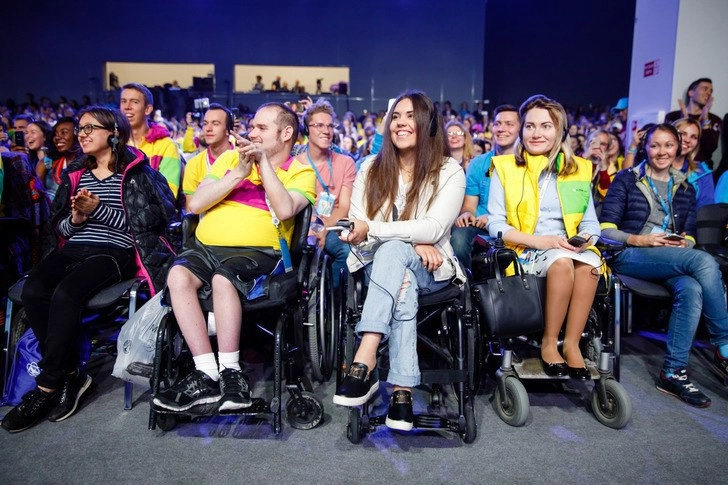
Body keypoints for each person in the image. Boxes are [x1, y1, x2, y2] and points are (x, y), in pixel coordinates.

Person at [1, 106, 177, 433]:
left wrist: (99, 210)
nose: (81, 134)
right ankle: (71, 373)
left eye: (89, 128)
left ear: (113, 133)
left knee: (67, 294)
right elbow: (60, 228)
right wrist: (77, 218)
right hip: (75, 247)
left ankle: (46, 387)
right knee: (34, 290)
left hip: (116, 252)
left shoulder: (138, 173)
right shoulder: (76, 174)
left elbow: (149, 227)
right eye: (80, 129)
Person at [152, 103, 316, 413]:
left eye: (261, 128)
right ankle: (206, 372)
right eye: (252, 127)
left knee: (223, 278)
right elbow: (196, 204)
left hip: (259, 254)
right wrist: (239, 173)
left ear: (286, 133)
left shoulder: (300, 171)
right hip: (205, 248)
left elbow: (284, 210)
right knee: (177, 276)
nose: (252, 133)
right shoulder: (230, 159)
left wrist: (264, 165)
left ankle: (231, 371)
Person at [333, 90, 466, 432]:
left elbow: (434, 227)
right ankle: (402, 393)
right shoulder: (370, 168)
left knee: (394, 254)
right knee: (399, 272)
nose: (401, 123)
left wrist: (382, 232)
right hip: (382, 267)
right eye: (395, 116)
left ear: (428, 124)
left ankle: (365, 358)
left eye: (410, 116)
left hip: (433, 269)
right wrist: (411, 241)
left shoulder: (449, 171)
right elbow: (358, 226)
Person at [599, 123, 728, 407]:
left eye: (668, 145)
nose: (662, 152)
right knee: (705, 262)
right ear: (645, 147)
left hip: (671, 258)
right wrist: (640, 240)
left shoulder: (685, 186)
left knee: (692, 287)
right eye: (655, 145)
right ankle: (724, 345)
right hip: (630, 254)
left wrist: (684, 243)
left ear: (678, 147)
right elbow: (605, 231)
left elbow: (691, 234)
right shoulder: (627, 179)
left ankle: (672, 372)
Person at [487, 94, 601, 380]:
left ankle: (572, 344)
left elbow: (591, 223)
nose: (536, 133)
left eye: (546, 126)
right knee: (562, 262)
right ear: (521, 130)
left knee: (590, 266)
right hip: (525, 251)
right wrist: (542, 242)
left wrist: (586, 239)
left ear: (560, 131)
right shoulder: (505, 167)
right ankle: (550, 343)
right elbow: (495, 225)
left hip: (568, 248)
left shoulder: (578, 170)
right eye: (530, 126)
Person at [451, 104, 520, 269]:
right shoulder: (478, 163)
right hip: (480, 225)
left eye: (509, 124)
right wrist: (467, 214)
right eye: (497, 124)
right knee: (459, 236)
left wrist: (493, 218)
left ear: (521, 129)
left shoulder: (527, 164)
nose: (501, 129)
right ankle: (464, 280)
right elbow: (469, 205)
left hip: (514, 224)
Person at [301, 99, 356, 287]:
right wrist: (314, 228)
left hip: (333, 225)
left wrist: (321, 227)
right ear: (307, 129)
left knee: (347, 253)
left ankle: (333, 295)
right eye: (319, 125)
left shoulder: (346, 162)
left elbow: (345, 207)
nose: (326, 130)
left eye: (330, 126)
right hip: (304, 226)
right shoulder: (296, 164)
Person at [120, 83, 183, 198]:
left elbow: (168, 194)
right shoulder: (114, 144)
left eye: (134, 102)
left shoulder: (166, 145)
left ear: (148, 109)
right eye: (123, 101)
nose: (127, 106)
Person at [181, 104, 235, 211]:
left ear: (228, 130)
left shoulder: (243, 159)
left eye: (215, 124)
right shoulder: (194, 164)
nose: (208, 129)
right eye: (205, 123)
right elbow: (191, 211)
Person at [665, 78, 722, 176]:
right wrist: (684, 121)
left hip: (700, 172)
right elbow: (666, 142)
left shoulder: (714, 120)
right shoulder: (672, 116)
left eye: (711, 91)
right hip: (672, 168)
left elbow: (710, 147)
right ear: (691, 93)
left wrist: (705, 118)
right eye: (705, 89)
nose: (708, 93)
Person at [672, 117, 714, 209]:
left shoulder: (702, 173)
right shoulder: (652, 167)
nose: (687, 140)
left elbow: (705, 211)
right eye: (683, 134)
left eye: (694, 137)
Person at [44, 117, 81, 200]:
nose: (57, 138)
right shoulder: (48, 162)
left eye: (64, 132)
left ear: (77, 135)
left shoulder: (88, 164)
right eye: (56, 134)